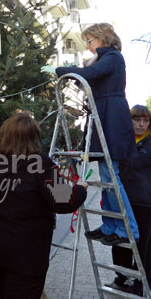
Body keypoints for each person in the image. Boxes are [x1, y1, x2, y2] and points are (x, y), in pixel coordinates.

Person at [0, 87, 88, 299]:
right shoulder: (42, 165)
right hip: (27, 254)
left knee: (0, 297)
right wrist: (81, 188)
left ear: (4, 135)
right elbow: (66, 201)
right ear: (34, 138)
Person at [42, 22, 138, 246]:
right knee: (106, 177)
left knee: (111, 175)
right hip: (103, 113)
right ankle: (111, 225)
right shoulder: (104, 58)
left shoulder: (112, 57)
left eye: (90, 40)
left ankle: (127, 229)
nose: (87, 45)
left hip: (110, 115)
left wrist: (60, 71)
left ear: (102, 38)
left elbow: (91, 74)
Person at [109, 105, 151, 299]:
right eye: (137, 120)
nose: (141, 124)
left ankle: (141, 287)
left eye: (145, 120)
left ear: (150, 123)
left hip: (145, 204)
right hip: (123, 202)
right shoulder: (123, 143)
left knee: (142, 248)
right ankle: (122, 278)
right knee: (120, 243)